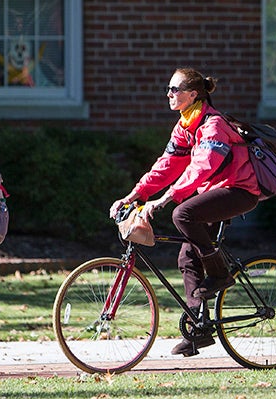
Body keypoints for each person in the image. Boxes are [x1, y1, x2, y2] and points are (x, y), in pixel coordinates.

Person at [110, 68, 261, 357]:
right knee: (187, 256)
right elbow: (166, 165)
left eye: (174, 89)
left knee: (182, 214)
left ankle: (220, 274)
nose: (169, 94)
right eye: (168, 89)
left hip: (240, 191)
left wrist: (166, 199)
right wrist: (135, 195)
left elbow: (202, 167)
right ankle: (199, 330)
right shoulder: (185, 126)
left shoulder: (213, 125)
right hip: (214, 192)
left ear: (193, 94)